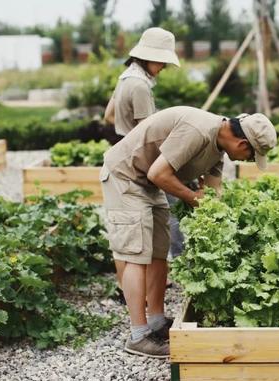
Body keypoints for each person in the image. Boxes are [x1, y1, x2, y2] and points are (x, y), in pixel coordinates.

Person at [100, 106, 277, 357]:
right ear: (241, 143)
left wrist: (220, 224)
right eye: (252, 155)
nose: (249, 161)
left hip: (149, 183)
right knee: (137, 254)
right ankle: (138, 336)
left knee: (159, 252)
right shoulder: (198, 130)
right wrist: (194, 198)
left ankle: (157, 322)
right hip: (126, 175)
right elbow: (158, 173)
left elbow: (214, 194)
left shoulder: (218, 149)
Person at [103, 27, 186, 299]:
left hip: (121, 153)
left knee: (125, 232)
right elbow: (150, 135)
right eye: (161, 61)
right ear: (148, 57)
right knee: (147, 227)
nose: (162, 67)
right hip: (137, 163)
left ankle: (125, 286)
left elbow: (108, 115)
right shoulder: (139, 86)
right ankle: (149, 286)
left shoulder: (126, 77)